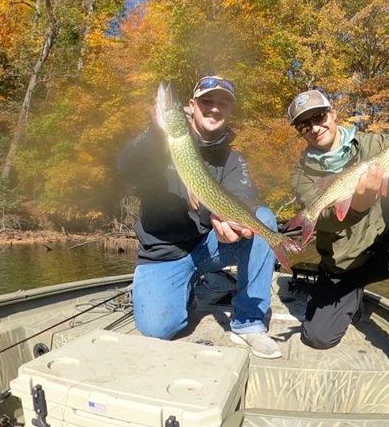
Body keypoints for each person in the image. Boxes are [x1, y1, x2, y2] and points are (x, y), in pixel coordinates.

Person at [286, 89, 389, 385]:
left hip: (382, 253)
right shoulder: (301, 174)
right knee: (318, 338)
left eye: (319, 116)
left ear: (333, 113)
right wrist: (357, 207)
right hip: (342, 267)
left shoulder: (375, 143)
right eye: (304, 124)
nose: (314, 126)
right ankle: (353, 299)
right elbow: (327, 221)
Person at [117, 76, 282, 359]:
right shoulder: (160, 143)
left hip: (208, 247)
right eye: (207, 101)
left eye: (223, 103)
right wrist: (155, 132)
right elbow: (123, 168)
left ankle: (249, 322)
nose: (214, 108)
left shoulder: (233, 160)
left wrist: (227, 224)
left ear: (230, 111)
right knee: (158, 328)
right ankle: (186, 290)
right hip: (162, 254)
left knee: (262, 219)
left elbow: (238, 202)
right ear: (191, 107)